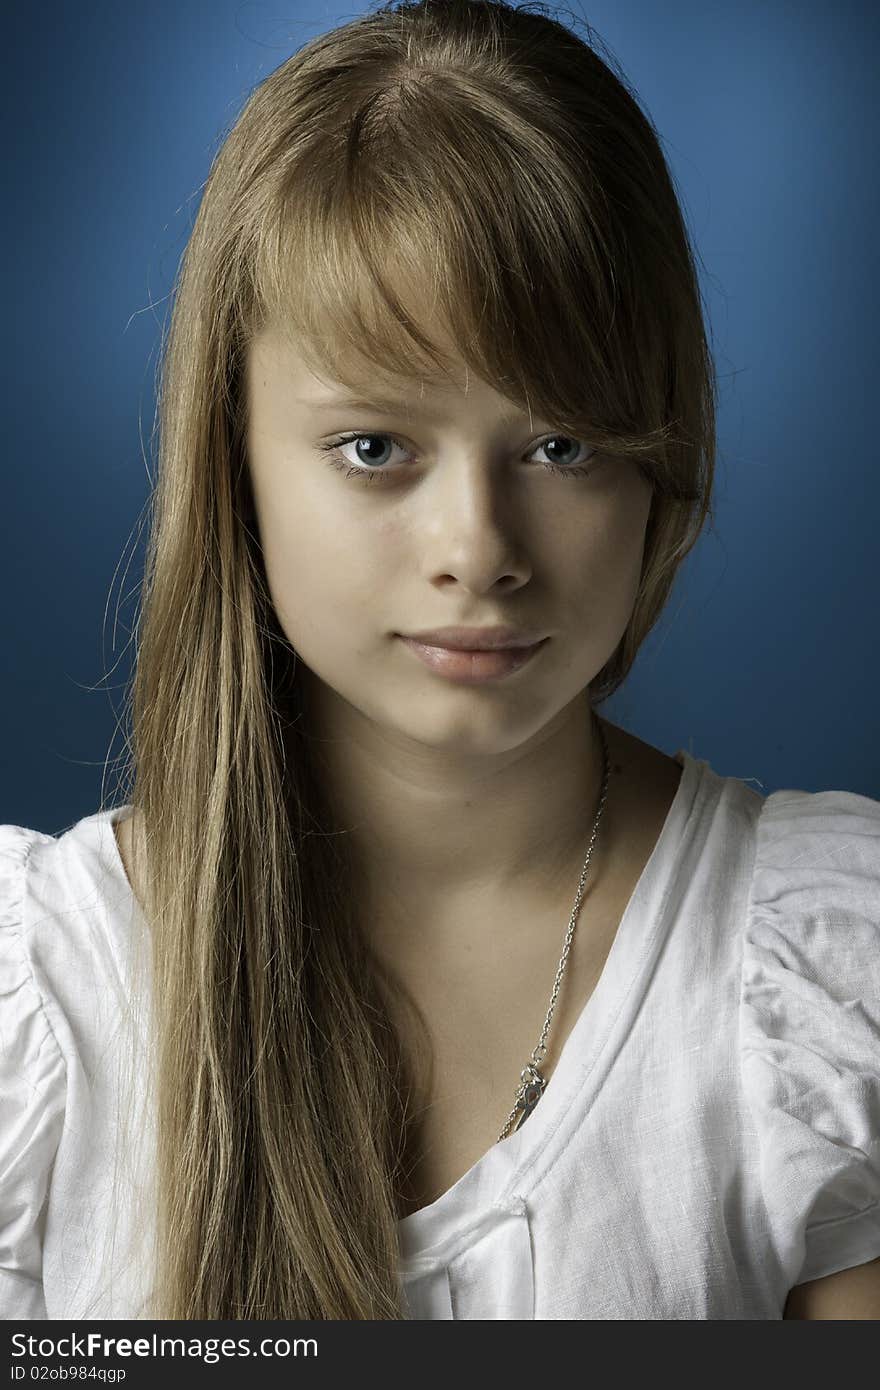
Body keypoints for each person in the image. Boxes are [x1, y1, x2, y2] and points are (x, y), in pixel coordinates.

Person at [1, 0, 878, 1322]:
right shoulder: (38, 1003)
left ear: (662, 454)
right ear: (232, 457)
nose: (478, 548)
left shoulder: (825, 978)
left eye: (562, 446)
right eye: (374, 447)